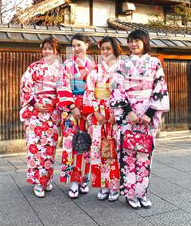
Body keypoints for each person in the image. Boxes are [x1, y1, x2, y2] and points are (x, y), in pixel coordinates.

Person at [110, 29, 170, 209]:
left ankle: (142, 192)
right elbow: (116, 87)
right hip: (128, 114)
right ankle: (130, 193)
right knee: (127, 153)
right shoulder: (122, 63)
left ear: (145, 42)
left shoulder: (154, 62)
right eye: (130, 41)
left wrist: (150, 113)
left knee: (144, 154)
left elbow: (159, 87)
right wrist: (128, 111)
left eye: (137, 40)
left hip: (146, 114)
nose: (133, 44)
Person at [20, 37, 62, 198]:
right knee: (35, 146)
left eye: (50, 49)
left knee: (50, 147)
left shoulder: (61, 69)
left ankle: (46, 179)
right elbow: (25, 86)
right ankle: (38, 182)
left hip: (52, 112)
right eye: (45, 48)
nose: (47, 51)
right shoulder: (34, 68)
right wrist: (34, 103)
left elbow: (64, 90)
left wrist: (57, 104)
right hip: (36, 112)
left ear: (56, 50)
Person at [83, 37, 122, 202]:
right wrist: (95, 112)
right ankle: (103, 185)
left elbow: (122, 92)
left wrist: (116, 112)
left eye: (108, 48)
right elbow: (89, 91)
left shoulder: (121, 70)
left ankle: (114, 185)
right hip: (98, 117)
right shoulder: (94, 70)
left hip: (114, 116)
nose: (105, 52)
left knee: (113, 151)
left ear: (115, 50)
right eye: (103, 49)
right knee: (99, 151)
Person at [57, 34, 95, 199]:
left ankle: (84, 178)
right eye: (73, 46)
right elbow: (62, 86)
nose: (76, 48)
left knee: (86, 144)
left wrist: (88, 107)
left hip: (88, 109)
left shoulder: (93, 65)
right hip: (71, 109)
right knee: (71, 144)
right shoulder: (67, 65)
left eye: (79, 45)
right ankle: (74, 181)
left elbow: (96, 88)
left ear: (87, 45)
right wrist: (72, 106)